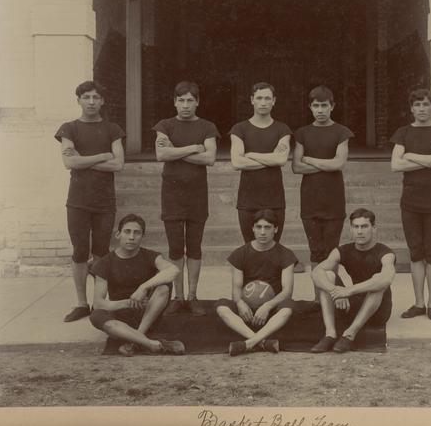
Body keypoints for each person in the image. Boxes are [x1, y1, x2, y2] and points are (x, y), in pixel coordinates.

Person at [55, 81, 125, 322]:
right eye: (87, 97)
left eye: (96, 97)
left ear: (103, 101)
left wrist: (84, 159)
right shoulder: (69, 128)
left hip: (104, 200)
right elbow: (69, 163)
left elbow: (118, 164)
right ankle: (82, 303)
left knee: (102, 252)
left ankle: (100, 302)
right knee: (80, 251)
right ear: (78, 100)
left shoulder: (112, 129)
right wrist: (103, 155)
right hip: (78, 200)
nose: (92, 102)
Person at [152, 81, 220, 317]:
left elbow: (210, 158)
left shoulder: (207, 126)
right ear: (174, 102)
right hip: (172, 194)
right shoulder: (165, 125)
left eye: (190, 100)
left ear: (198, 102)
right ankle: (177, 296)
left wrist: (176, 150)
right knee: (174, 248)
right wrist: (193, 148)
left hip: (196, 194)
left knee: (194, 247)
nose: (185, 105)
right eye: (181, 100)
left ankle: (192, 296)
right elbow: (161, 154)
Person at [390, 88, 431, 321]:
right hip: (410, 203)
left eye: (426, 104)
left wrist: (411, 155)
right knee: (416, 253)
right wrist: (429, 160)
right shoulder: (403, 133)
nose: (422, 109)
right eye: (417, 104)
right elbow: (395, 165)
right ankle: (418, 303)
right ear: (411, 108)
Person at [90, 214, 185, 356]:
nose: (131, 237)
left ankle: (135, 341)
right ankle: (151, 344)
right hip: (120, 317)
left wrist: (143, 287)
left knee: (164, 287)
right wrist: (128, 303)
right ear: (118, 234)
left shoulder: (150, 255)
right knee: (96, 316)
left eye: (137, 233)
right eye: (127, 231)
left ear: (142, 236)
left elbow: (174, 270)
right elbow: (98, 303)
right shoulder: (105, 263)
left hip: (147, 313)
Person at [311, 208, 395, 353]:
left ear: (374, 228)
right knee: (328, 276)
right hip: (354, 303)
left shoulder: (385, 253)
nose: (360, 231)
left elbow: (386, 279)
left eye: (364, 226)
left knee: (377, 282)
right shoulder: (342, 250)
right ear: (351, 229)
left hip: (378, 309)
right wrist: (334, 291)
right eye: (356, 227)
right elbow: (317, 271)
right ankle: (330, 334)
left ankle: (349, 335)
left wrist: (347, 291)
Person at [215, 209, 297, 356]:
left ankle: (248, 344)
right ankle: (263, 342)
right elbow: (236, 288)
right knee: (221, 306)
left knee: (288, 307)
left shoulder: (286, 254)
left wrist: (267, 306)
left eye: (267, 227)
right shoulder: (240, 253)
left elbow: (287, 291)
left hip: (272, 309)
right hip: (247, 310)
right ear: (253, 228)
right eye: (259, 227)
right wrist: (240, 304)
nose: (263, 232)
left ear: (276, 229)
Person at [292, 85, 354, 275]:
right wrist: (325, 164)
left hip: (333, 200)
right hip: (310, 200)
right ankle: (319, 299)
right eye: (316, 106)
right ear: (310, 107)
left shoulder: (342, 132)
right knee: (316, 251)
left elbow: (338, 164)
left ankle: (331, 295)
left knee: (331, 251)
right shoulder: (302, 133)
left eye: (324, 106)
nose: (320, 110)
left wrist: (310, 159)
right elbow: (296, 167)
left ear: (332, 106)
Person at [229, 82, 292, 243]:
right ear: (252, 100)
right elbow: (237, 162)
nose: (263, 102)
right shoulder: (239, 129)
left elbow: (281, 159)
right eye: (259, 98)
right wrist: (270, 159)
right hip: (248, 199)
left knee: (273, 249)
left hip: (274, 198)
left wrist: (251, 155)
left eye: (267, 98)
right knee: (250, 248)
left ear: (274, 101)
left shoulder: (282, 129)